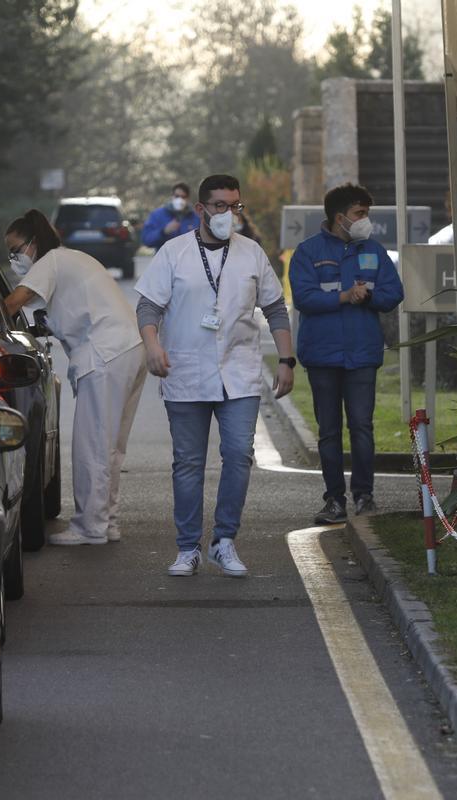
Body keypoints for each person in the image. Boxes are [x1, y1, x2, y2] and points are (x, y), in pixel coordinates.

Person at [134, 174, 295, 578]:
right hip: (185, 370)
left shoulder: (251, 253)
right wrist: (152, 346)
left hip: (239, 372)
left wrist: (287, 360)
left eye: (235, 205)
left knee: (239, 455)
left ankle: (224, 541)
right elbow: (148, 307)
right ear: (201, 209)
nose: (229, 214)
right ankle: (187, 547)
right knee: (188, 463)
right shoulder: (173, 253)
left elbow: (275, 309)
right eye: (221, 206)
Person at [2, 209, 147, 546]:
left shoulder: (50, 261)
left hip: (105, 353)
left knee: (92, 444)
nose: (13, 258)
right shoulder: (71, 260)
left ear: (33, 243)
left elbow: (15, 302)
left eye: (16, 249)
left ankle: (89, 527)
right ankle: (107, 521)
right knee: (110, 446)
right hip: (127, 348)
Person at [290, 183, 404, 525]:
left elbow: (393, 291)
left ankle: (364, 496)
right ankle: (334, 499)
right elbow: (304, 298)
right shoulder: (308, 252)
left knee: (362, 426)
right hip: (323, 355)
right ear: (340, 217)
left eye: (366, 214)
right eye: (359, 214)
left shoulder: (373, 250)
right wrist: (343, 296)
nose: (364, 220)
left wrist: (367, 297)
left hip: (362, 353)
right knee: (328, 430)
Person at [141, 182, 199, 250]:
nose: (179, 199)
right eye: (177, 196)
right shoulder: (157, 215)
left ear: (188, 199)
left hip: (188, 258)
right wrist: (163, 232)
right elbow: (146, 240)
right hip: (165, 259)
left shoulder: (195, 217)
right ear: (172, 196)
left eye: (183, 197)